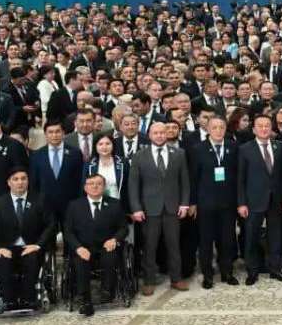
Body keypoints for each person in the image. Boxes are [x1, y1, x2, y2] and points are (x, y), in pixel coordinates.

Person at [127, 122, 191, 295]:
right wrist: (136, 208)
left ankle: (176, 278)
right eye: (156, 133)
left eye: (162, 132)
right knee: (150, 246)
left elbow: (185, 181)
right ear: (149, 135)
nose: (160, 135)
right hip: (149, 209)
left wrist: (184, 203)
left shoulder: (179, 154)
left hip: (173, 208)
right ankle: (149, 281)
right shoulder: (139, 156)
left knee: (174, 245)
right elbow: (133, 185)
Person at [64, 174, 127, 316]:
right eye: (91, 184)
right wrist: (78, 247)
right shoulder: (74, 206)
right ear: (85, 188)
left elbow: (123, 228)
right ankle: (85, 299)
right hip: (83, 247)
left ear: (104, 187)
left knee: (111, 256)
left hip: (106, 245)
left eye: (98, 183)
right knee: (80, 261)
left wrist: (114, 240)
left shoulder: (115, 204)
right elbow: (68, 231)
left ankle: (107, 291)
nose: (95, 186)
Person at [189, 115, 240, 288]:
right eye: (214, 127)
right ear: (208, 129)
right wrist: (193, 202)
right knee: (206, 241)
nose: (218, 131)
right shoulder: (198, 149)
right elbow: (193, 178)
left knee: (227, 239)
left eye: (221, 127)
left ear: (226, 129)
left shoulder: (233, 147)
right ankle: (208, 275)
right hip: (205, 203)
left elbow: (238, 175)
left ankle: (227, 272)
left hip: (228, 202)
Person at [237, 114, 282, 285]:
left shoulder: (280, 147)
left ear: (271, 128)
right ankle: (252, 271)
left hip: (276, 200)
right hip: (253, 200)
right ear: (253, 129)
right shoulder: (245, 149)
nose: (264, 128)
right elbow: (240, 179)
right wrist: (241, 203)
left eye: (267, 125)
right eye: (260, 126)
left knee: (276, 235)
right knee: (251, 236)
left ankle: (275, 268)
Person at [0, 168, 53, 309]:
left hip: (32, 246)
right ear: (9, 182)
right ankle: (8, 300)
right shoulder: (0, 203)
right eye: (15, 179)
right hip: (7, 247)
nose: (20, 182)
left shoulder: (40, 199)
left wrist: (38, 245)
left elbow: (51, 225)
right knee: (3, 260)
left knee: (32, 258)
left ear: (28, 181)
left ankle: (29, 299)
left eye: (23, 178)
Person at [83, 133, 126, 199]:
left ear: (113, 145)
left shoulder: (123, 163)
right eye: (100, 144)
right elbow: (84, 187)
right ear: (95, 146)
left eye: (108, 144)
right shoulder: (89, 165)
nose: (104, 147)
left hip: (118, 202)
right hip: (96, 202)